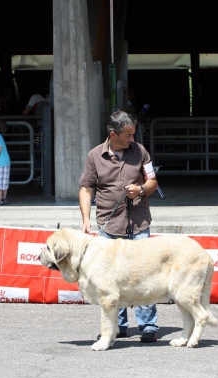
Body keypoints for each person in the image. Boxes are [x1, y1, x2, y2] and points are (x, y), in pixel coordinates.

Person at [78, 110, 160, 343]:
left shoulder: (140, 151)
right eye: (127, 135)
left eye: (133, 134)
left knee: (145, 275)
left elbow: (153, 181)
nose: (131, 139)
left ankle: (148, 326)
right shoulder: (94, 156)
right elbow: (86, 189)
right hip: (109, 225)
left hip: (139, 222)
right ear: (113, 134)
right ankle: (116, 325)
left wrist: (141, 190)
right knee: (110, 279)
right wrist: (85, 219)